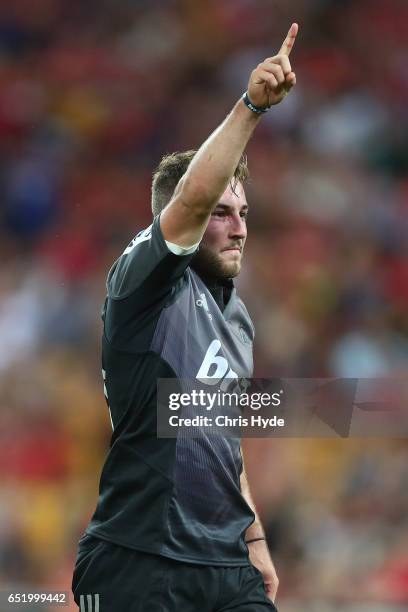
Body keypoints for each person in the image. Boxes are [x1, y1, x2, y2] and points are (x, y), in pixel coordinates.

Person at [72, 22, 299, 612]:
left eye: (244, 212)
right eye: (223, 212)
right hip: (139, 558)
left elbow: (222, 434)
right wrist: (251, 106)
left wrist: (253, 536)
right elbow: (193, 198)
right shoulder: (142, 283)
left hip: (225, 567)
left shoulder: (239, 319)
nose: (240, 226)